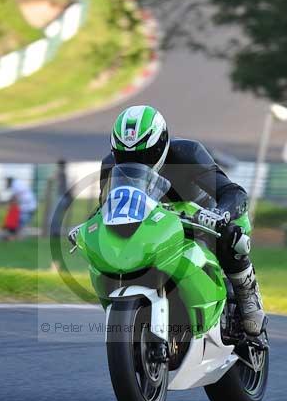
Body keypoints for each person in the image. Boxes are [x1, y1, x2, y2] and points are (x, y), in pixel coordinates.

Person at [100, 105, 266, 336]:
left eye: (145, 155)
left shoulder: (188, 154)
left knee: (232, 235)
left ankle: (248, 297)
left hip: (202, 217)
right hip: (155, 223)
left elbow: (233, 192)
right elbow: (106, 207)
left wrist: (220, 213)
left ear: (162, 144)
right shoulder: (111, 165)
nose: (138, 162)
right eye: (127, 157)